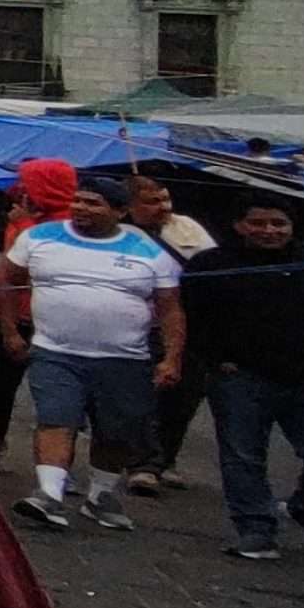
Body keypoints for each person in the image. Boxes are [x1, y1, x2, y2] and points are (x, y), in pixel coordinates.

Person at [0, 176, 187, 533]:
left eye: (94, 203)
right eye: (79, 201)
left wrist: (172, 357)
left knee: (116, 431)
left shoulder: (148, 250)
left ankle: (100, 495)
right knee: (56, 418)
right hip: (55, 352)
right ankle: (48, 494)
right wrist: (10, 330)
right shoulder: (39, 237)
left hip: (125, 360)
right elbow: (9, 279)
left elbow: (170, 308)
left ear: (120, 211)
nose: (82, 208)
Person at [181, 201, 304, 561]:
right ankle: (256, 528)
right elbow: (192, 316)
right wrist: (214, 358)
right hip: (240, 376)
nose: (269, 231)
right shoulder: (212, 265)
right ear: (240, 225)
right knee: (242, 455)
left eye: (278, 223)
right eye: (258, 223)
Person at [0, 157, 78, 472]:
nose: (22, 189)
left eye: (29, 182)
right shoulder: (23, 215)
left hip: (49, 320)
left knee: (59, 394)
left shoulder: (75, 227)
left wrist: (21, 225)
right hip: (6, 314)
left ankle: (57, 462)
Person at [120, 176, 220, 491]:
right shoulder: (117, 233)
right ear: (129, 206)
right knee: (140, 396)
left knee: (182, 396)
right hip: (137, 324)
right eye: (152, 201)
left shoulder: (186, 227)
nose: (164, 207)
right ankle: (143, 463)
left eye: (166, 199)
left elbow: (211, 267)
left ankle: (166, 459)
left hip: (188, 323)